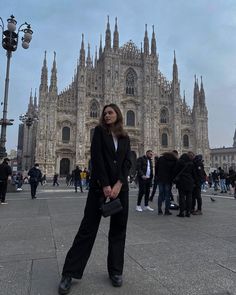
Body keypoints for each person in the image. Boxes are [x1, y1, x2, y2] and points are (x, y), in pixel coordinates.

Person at [58, 103, 131, 294]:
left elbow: (127, 163)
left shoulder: (125, 136)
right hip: (100, 188)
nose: (107, 115)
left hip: (120, 190)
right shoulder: (99, 132)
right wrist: (106, 185)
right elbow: (96, 159)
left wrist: (119, 184)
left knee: (118, 231)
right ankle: (69, 273)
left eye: (110, 112)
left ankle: (116, 271)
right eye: (104, 113)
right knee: (87, 229)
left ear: (118, 115)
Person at [174, 153, 197, 217]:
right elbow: (194, 174)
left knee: (182, 197)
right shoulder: (191, 163)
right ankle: (188, 212)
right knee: (189, 197)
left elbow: (175, 171)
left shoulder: (179, 163)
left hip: (181, 181)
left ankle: (182, 212)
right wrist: (194, 182)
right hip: (190, 182)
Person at [156, 151, 178, 215]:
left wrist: (157, 175)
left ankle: (159, 210)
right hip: (168, 180)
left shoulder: (161, 159)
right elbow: (174, 171)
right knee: (167, 196)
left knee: (160, 194)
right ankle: (166, 210)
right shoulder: (173, 160)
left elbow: (156, 168)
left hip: (160, 179)